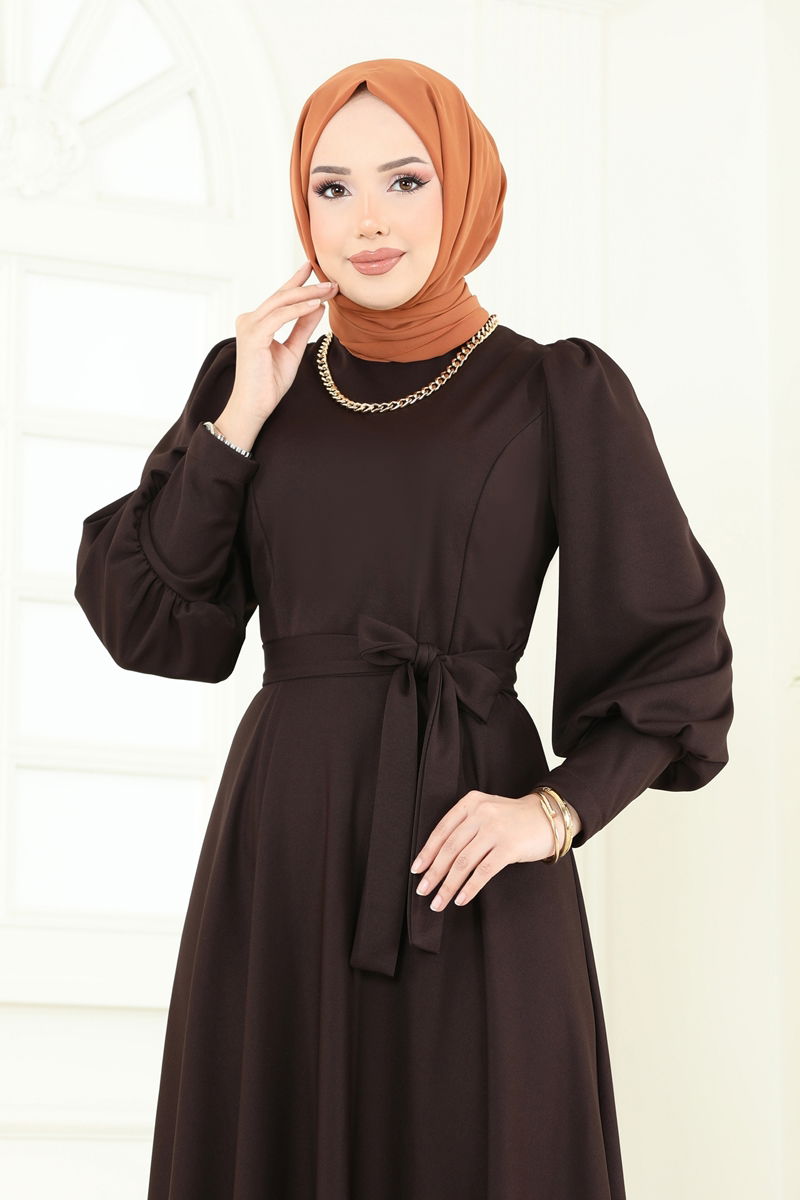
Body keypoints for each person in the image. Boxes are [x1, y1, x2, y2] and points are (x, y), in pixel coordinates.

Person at [74, 57, 734, 1200]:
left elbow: (675, 662)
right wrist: (237, 423)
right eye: (330, 189)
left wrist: (550, 813)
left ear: (463, 189)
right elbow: (150, 619)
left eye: (404, 181)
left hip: (465, 854)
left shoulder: (554, 391)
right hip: (281, 850)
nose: (366, 221)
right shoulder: (253, 382)